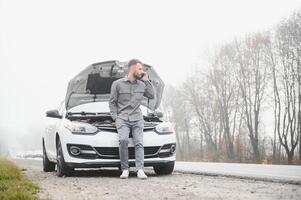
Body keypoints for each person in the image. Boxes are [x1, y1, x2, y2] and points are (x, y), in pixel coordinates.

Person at [109, 59, 155, 179]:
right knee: (123, 140)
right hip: (122, 118)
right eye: (140, 69)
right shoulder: (117, 84)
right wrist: (115, 118)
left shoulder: (142, 84)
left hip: (137, 118)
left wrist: (147, 80)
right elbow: (112, 103)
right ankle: (125, 169)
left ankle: (140, 169)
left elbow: (152, 95)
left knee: (139, 142)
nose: (142, 71)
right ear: (132, 68)